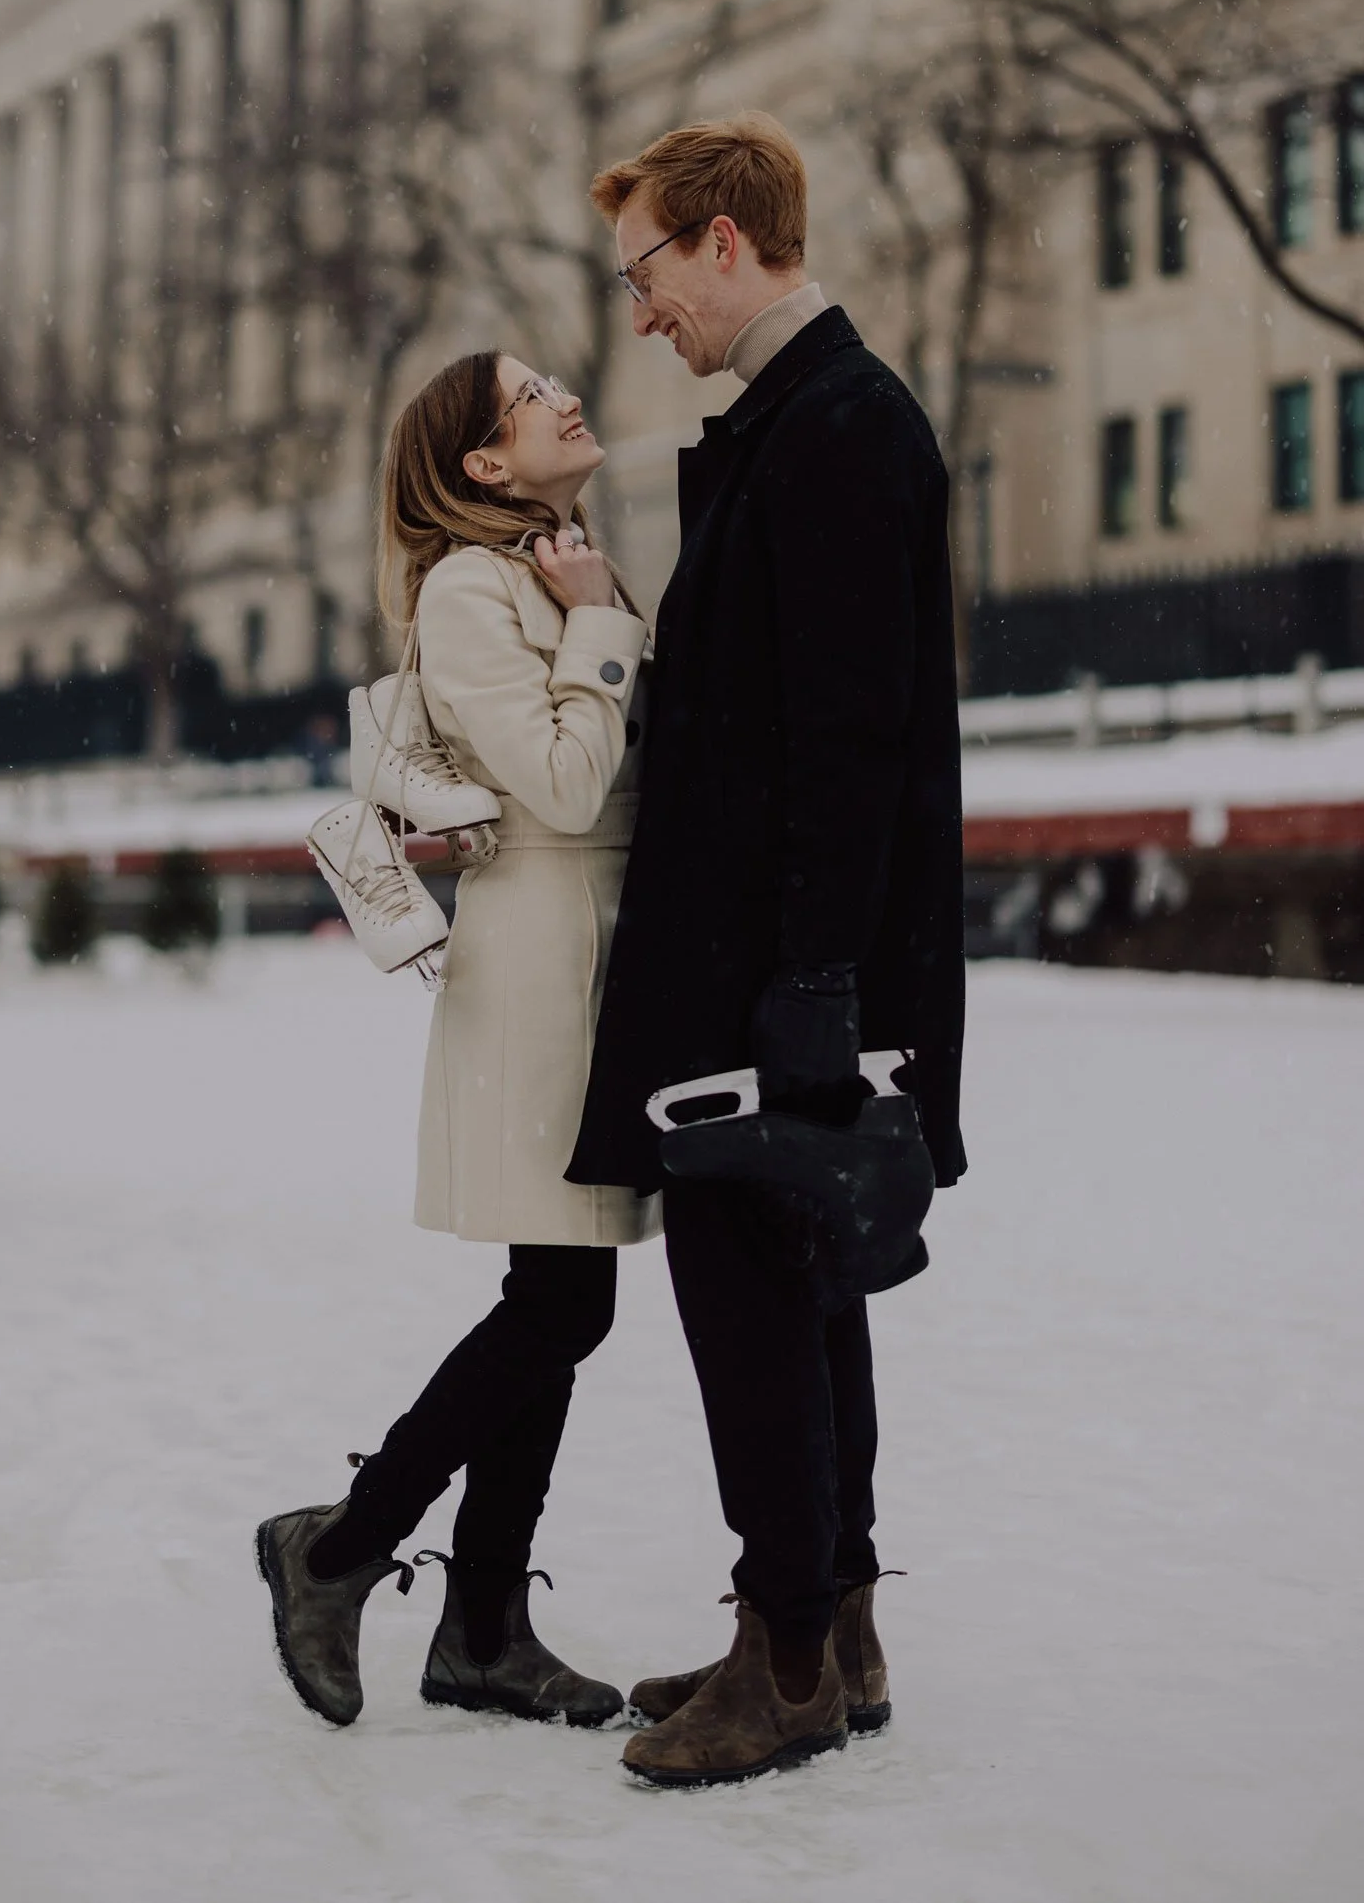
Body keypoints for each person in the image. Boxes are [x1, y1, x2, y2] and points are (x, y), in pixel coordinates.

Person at [564, 113, 967, 1791]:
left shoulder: (840, 429)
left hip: (767, 977)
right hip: (772, 963)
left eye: (647, 267)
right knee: (803, 1294)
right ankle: (829, 1622)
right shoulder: (807, 424)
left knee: (751, 1304)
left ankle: (784, 1653)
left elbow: (849, 736)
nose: (639, 308)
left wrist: (809, 981)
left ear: (724, 244)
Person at [257, 351, 659, 1731]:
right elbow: (556, 775)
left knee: (562, 1293)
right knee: (561, 1297)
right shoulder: (469, 585)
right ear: (483, 464)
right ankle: (343, 1547)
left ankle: (477, 1621)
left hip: (597, 942)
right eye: (529, 392)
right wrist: (603, 623)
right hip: (541, 947)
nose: (564, 395)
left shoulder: (550, 562)